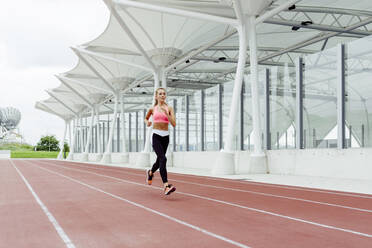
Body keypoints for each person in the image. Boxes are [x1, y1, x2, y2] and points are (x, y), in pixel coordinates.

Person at [144, 87, 176, 195]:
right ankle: (166, 186)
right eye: (160, 94)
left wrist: (167, 114)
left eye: (164, 94)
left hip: (165, 136)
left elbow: (174, 124)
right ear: (156, 96)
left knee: (159, 160)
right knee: (163, 158)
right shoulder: (153, 109)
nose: (162, 95)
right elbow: (146, 118)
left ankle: (151, 172)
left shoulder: (169, 108)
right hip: (156, 135)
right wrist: (147, 122)